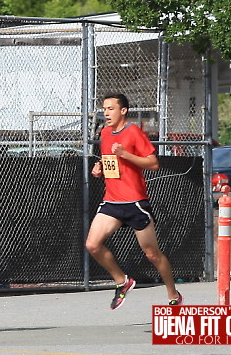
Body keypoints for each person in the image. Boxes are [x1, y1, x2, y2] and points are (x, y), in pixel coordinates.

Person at [86, 93, 182, 309]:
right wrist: (100, 169)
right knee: (92, 244)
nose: (106, 113)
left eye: (111, 109)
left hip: (135, 203)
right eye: (104, 109)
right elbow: (110, 161)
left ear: (123, 111)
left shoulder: (134, 132)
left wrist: (125, 154)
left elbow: (153, 163)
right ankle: (122, 281)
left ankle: (173, 293)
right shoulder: (105, 133)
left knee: (152, 254)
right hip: (112, 201)